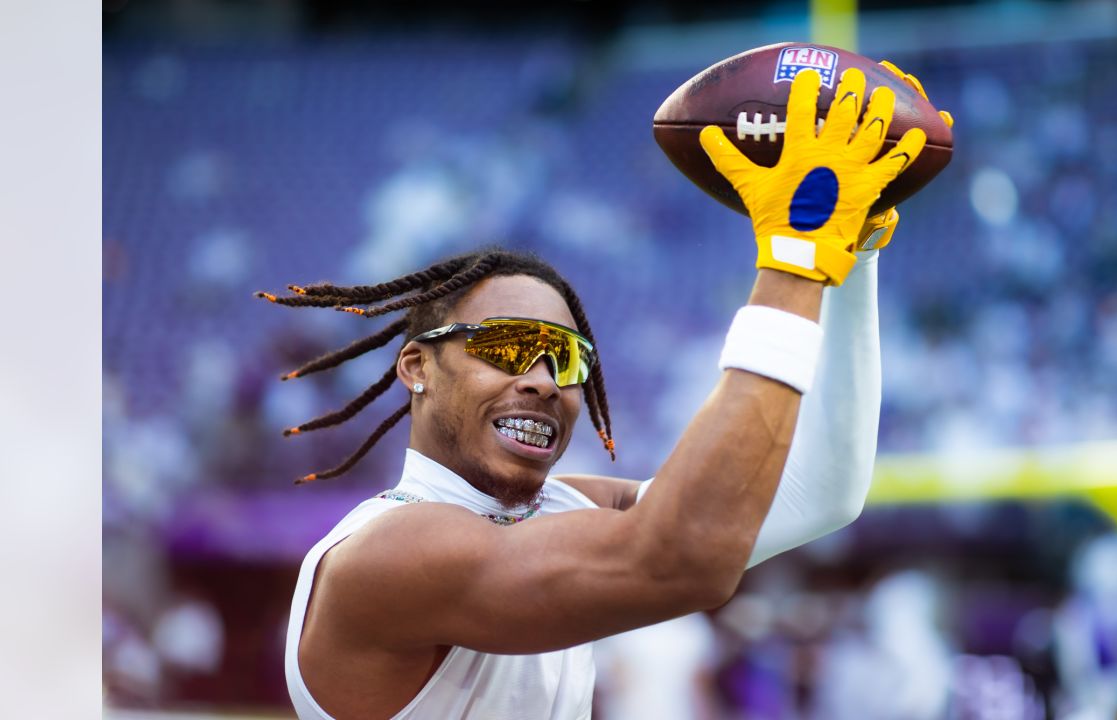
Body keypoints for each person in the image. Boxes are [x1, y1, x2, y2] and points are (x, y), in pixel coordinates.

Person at [259, 65, 951, 718]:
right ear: (416, 367)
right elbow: (684, 558)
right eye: (506, 346)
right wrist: (794, 259)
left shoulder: (558, 509)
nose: (540, 378)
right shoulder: (390, 553)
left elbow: (817, 494)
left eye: (565, 358)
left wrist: (854, 255)